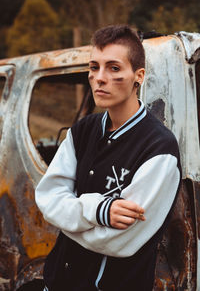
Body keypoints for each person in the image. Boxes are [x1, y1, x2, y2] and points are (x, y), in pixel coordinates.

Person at [35, 24, 181, 291]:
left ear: (139, 76)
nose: (99, 77)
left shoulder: (160, 147)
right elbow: (47, 199)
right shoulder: (82, 130)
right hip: (57, 281)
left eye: (114, 68)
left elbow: (120, 242)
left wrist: (67, 216)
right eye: (94, 67)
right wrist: (99, 210)